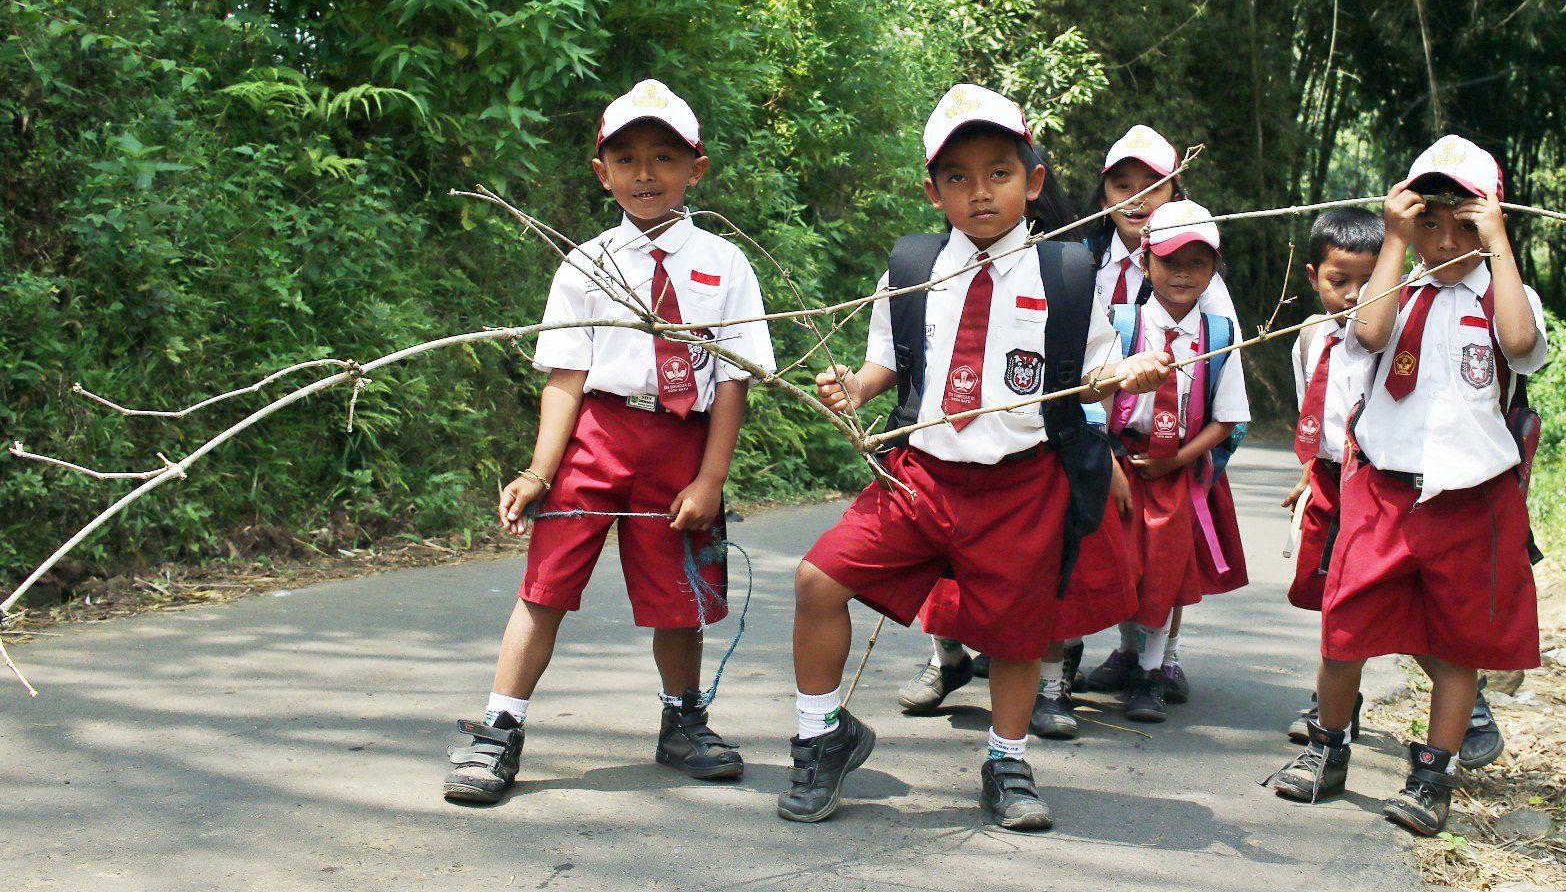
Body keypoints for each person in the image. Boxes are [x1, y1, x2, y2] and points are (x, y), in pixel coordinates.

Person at [780, 84, 1167, 831]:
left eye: (999, 171)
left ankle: (1006, 759)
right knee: (818, 580)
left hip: (1022, 484)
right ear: (932, 191)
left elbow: (1094, 373)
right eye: (957, 177)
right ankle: (820, 734)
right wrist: (853, 388)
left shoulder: (1066, 275)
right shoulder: (911, 266)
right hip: (921, 478)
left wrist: (1128, 372)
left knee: (1017, 633)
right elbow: (887, 365)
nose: (980, 192)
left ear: (1034, 182)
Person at [442, 79, 775, 806]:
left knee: (677, 597)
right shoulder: (585, 265)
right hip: (597, 435)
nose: (646, 175)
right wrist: (538, 470)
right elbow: (566, 376)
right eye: (626, 159)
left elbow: (732, 384)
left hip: (681, 444)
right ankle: (501, 727)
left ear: (697, 168)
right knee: (545, 586)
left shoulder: (727, 265)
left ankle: (683, 719)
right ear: (602, 173)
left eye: (664, 157)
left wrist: (711, 479)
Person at [1268, 135, 1546, 837]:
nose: (1443, 239)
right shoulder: (1394, 290)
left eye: (1463, 221)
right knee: (1346, 632)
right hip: (1384, 493)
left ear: (1489, 220)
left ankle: (1432, 774)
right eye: (1428, 221)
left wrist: (1499, 246)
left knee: (1457, 651)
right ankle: (1328, 750)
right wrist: (1393, 241)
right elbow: (1364, 334)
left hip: (1470, 499)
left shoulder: (1505, 295)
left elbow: (1521, 348)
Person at [1281, 208, 1508, 766]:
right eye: (1340, 282)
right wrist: (1309, 472)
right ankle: (1337, 706)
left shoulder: (1400, 318)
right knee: (1338, 601)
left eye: (1368, 279)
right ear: (1314, 277)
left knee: (1393, 605)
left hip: (1380, 484)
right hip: (1335, 481)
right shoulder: (1309, 339)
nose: (1356, 295)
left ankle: (1468, 705)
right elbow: (1317, 414)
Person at [1102, 201, 1248, 722]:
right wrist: (1111, 463)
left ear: (1214, 268)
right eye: (1169, 261)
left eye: (1198, 262)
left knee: (1162, 570)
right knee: (1120, 563)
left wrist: (1178, 461)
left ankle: (1151, 672)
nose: (1183, 273)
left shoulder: (1219, 337)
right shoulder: (1120, 326)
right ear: (1146, 264)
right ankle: (1124, 652)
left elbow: (1228, 417)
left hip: (1174, 470)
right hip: (1122, 464)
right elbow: (1094, 402)